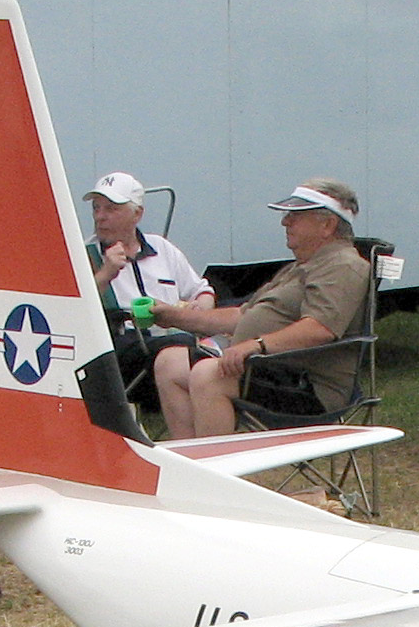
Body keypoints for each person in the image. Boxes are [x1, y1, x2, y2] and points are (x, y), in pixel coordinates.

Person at [150, 179, 370, 439]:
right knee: (169, 362)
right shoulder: (302, 266)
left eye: (295, 215)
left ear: (327, 225)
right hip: (270, 369)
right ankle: (188, 464)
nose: (285, 222)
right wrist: (176, 317)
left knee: (209, 375)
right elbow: (242, 315)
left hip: (309, 386)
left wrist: (256, 344)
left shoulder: (343, 265)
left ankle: (216, 470)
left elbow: (320, 328)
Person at [85, 172, 212, 397]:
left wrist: (199, 310)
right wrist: (106, 274)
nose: (100, 217)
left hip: (173, 337)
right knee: (185, 346)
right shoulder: (85, 254)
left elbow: (202, 290)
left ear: (137, 214)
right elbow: (76, 311)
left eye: (111, 209)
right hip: (124, 346)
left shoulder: (161, 248)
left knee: (199, 342)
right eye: (96, 208)